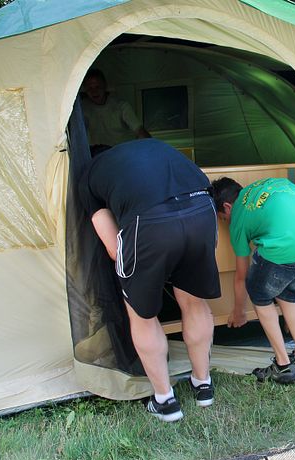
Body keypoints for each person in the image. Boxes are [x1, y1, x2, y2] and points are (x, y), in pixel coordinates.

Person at [79, 138, 220, 422]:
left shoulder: (89, 176)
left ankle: (166, 401)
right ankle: (203, 385)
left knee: (141, 315)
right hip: (202, 209)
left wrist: (141, 272)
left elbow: (113, 248)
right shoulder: (154, 147)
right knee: (193, 301)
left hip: (150, 221)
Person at [211, 177, 295, 384]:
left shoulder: (239, 220)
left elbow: (241, 276)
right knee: (290, 294)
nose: (226, 222)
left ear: (227, 206)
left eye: (223, 218)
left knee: (259, 291)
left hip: (291, 241)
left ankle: (283, 366)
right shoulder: (270, 183)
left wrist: (238, 311)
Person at [81, 68, 151, 148]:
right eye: (90, 88)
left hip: (122, 153)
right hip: (99, 156)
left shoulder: (121, 106)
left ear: (105, 86)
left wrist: (150, 149)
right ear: (85, 89)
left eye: (98, 87)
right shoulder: (82, 109)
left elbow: (140, 131)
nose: (94, 91)